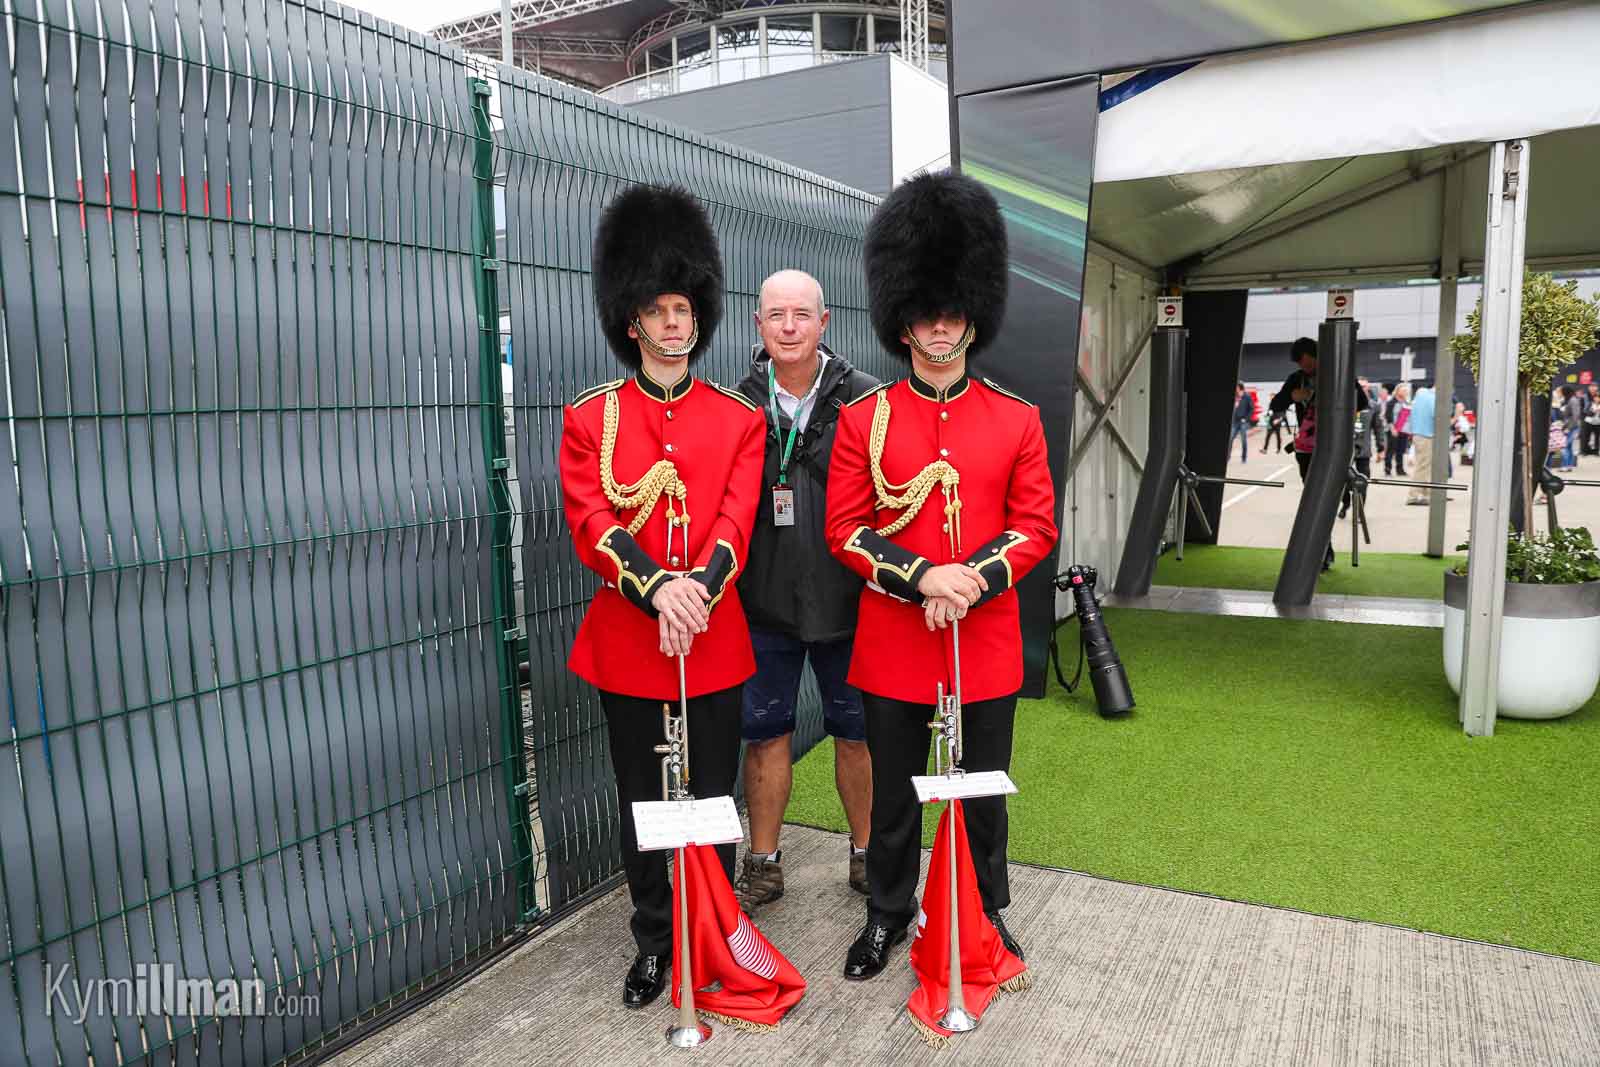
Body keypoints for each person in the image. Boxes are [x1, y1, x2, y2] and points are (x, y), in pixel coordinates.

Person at [825, 172, 1058, 981]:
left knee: (981, 791)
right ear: (903, 319)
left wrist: (968, 582)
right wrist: (924, 577)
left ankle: (984, 909)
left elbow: (1035, 526)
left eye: (953, 309)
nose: (940, 324)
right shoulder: (864, 420)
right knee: (895, 795)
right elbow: (845, 528)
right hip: (896, 638)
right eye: (926, 310)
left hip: (982, 637)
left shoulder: (1017, 418)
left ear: (973, 314)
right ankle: (887, 912)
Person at [558, 184, 766, 1009]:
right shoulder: (592, 417)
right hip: (630, 642)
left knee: (712, 795)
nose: (674, 323)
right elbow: (592, 522)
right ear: (632, 321)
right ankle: (654, 937)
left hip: (712, 637)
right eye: (658, 309)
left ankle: (711, 928)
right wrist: (658, 592)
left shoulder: (738, 418)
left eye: (683, 308)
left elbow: (736, 522)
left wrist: (696, 593)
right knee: (643, 800)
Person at [731, 269, 882, 912]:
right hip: (762, 602)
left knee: (857, 733)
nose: (788, 327)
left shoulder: (866, 400)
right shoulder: (736, 402)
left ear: (825, 322)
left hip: (849, 601)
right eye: (776, 315)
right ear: (758, 324)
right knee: (764, 734)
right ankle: (762, 863)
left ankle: (869, 854)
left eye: (801, 315)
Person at [1268, 336, 1368, 569]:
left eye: (1305, 361)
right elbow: (1276, 405)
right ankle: (1323, 552)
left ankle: (1323, 549)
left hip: (1335, 448)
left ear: (1316, 355)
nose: (1303, 366)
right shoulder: (1296, 379)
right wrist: (1293, 396)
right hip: (1306, 451)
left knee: (1329, 499)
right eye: (1299, 363)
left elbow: (1362, 403)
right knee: (1313, 501)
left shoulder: (1339, 375)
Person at [1406, 383, 1436, 505]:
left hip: (1418, 434)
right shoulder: (1433, 398)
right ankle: (1413, 495)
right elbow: (1437, 415)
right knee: (1423, 466)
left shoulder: (1420, 396)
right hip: (1427, 435)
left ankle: (1427, 493)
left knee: (1424, 465)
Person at [1384, 383, 1411, 477]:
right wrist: (1392, 429)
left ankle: (1400, 470)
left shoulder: (1407, 403)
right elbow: (1388, 416)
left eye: (1406, 391)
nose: (1405, 392)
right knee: (1390, 451)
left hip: (1404, 430)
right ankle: (1387, 470)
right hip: (1393, 429)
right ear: (1397, 391)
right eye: (1403, 390)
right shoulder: (1391, 402)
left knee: (1401, 451)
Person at [1229, 381, 1253, 464]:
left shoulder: (1247, 396)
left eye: (1236, 387)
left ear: (1239, 387)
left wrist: (1246, 419)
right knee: (1230, 439)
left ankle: (1244, 458)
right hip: (1235, 421)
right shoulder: (1235, 396)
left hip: (1243, 422)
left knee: (1243, 440)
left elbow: (1251, 409)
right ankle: (1227, 457)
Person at [1561, 385, 1583, 470]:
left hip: (1572, 427)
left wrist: (1568, 428)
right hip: (1571, 426)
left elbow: (1575, 415)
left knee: (1565, 446)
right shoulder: (1571, 400)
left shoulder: (1573, 400)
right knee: (1569, 447)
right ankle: (1569, 465)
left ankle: (1565, 465)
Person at [1584, 384, 1600, 456]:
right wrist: (1593, 411)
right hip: (1589, 422)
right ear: (1594, 398)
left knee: (1597, 438)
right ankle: (1586, 451)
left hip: (1597, 423)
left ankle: (1596, 451)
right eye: (1596, 398)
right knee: (1587, 437)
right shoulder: (1590, 404)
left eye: (1598, 398)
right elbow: (1585, 412)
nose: (1597, 399)